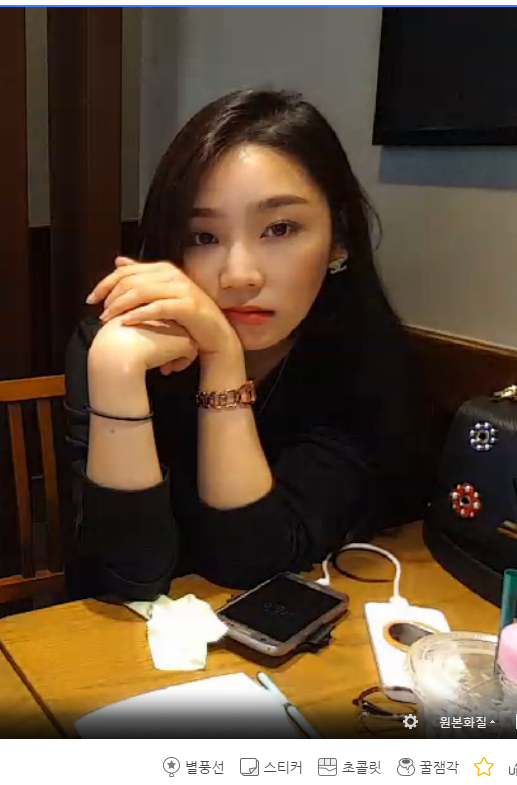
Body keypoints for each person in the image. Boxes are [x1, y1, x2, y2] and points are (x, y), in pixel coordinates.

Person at [64, 89, 433, 601]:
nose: (239, 275)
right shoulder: (119, 345)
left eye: (280, 228)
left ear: (339, 240)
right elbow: (123, 579)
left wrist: (222, 359)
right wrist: (115, 370)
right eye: (203, 237)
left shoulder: (363, 362)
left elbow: (249, 559)